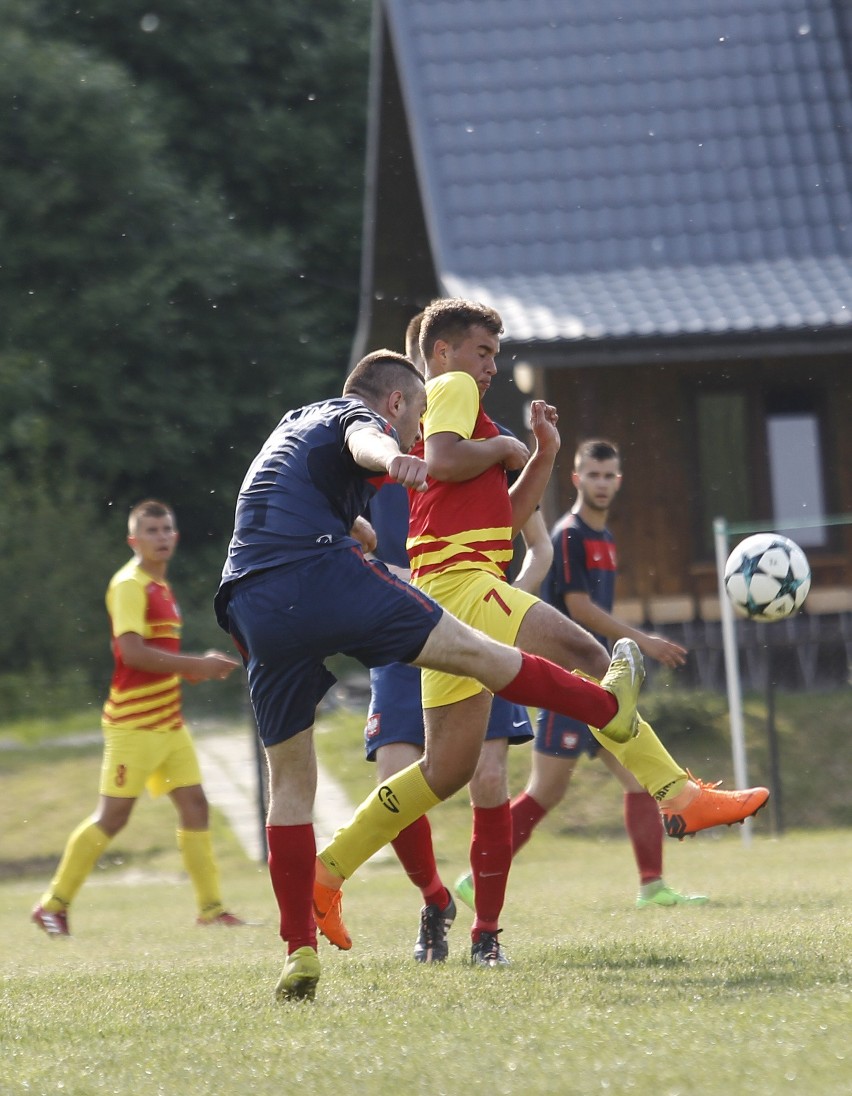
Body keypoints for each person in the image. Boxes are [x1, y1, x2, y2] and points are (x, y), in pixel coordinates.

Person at [313, 300, 768, 970]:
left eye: (496, 356)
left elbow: (503, 519)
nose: (492, 367)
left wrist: (543, 455)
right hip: (466, 586)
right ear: (440, 353)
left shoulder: (457, 408)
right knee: (592, 654)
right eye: (481, 353)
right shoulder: (449, 390)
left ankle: (328, 870)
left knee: (445, 771)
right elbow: (442, 460)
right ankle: (681, 795)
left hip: (447, 591)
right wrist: (502, 447)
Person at [215, 348, 653, 1001]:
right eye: (414, 412)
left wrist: (359, 524)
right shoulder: (359, 418)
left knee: (289, 786)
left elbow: (300, 496)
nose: (417, 425)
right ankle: (605, 707)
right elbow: (364, 438)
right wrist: (393, 457)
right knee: (481, 653)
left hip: (248, 598)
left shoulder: (289, 424)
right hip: (320, 574)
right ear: (395, 402)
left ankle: (298, 950)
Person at [362, 312, 550, 966]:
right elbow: (335, 540)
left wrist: (503, 594)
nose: (408, 405)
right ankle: (435, 897)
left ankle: (487, 932)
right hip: (398, 623)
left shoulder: (471, 431)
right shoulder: (365, 455)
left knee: (489, 777)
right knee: (397, 776)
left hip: (470, 612)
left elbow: (536, 542)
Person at [454, 438, 708, 913]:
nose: (602, 484)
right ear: (576, 479)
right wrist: (643, 640)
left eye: (609, 475)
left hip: (601, 680)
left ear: (619, 480)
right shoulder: (569, 535)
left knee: (636, 780)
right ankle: (476, 874)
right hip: (568, 679)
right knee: (545, 791)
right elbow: (578, 609)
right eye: (593, 475)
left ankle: (653, 887)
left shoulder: (605, 539)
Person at [32, 499, 244, 938]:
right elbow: (130, 652)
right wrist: (194, 665)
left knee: (195, 806)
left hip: (168, 722)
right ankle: (53, 905)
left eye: (166, 529)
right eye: (151, 531)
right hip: (134, 725)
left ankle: (211, 909)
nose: (161, 537)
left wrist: (190, 670)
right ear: (133, 540)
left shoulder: (160, 586)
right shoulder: (129, 584)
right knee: (112, 818)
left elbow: (157, 655)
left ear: (176, 536)